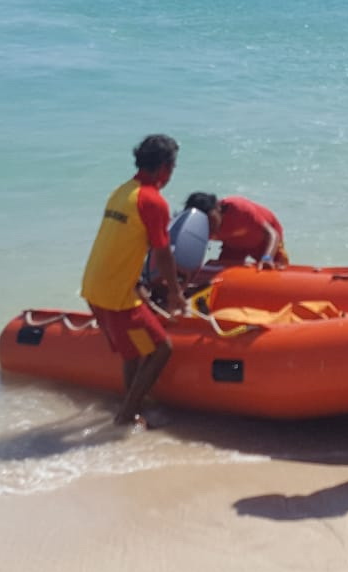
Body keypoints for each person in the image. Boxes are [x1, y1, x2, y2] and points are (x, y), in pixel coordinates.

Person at [80, 134, 188, 427]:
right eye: (173, 167)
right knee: (161, 348)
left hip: (94, 286)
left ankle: (130, 410)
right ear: (165, 167)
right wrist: (176, 294)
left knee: (133, 353)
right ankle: (126, 415)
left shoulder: (122, 191)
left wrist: (138, 283)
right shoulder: (153, 201)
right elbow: (163, 253)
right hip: (116, 295)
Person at [183, 192, 288, 269]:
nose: (210, 229)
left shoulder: (240, 210)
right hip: (233, 246)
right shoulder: (196, 226)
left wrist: (267, 258)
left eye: (211, 221)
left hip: (264, 242)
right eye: (205, 224)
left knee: (276, 269)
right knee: (219, 271)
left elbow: (272, 234)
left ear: (217, 208)